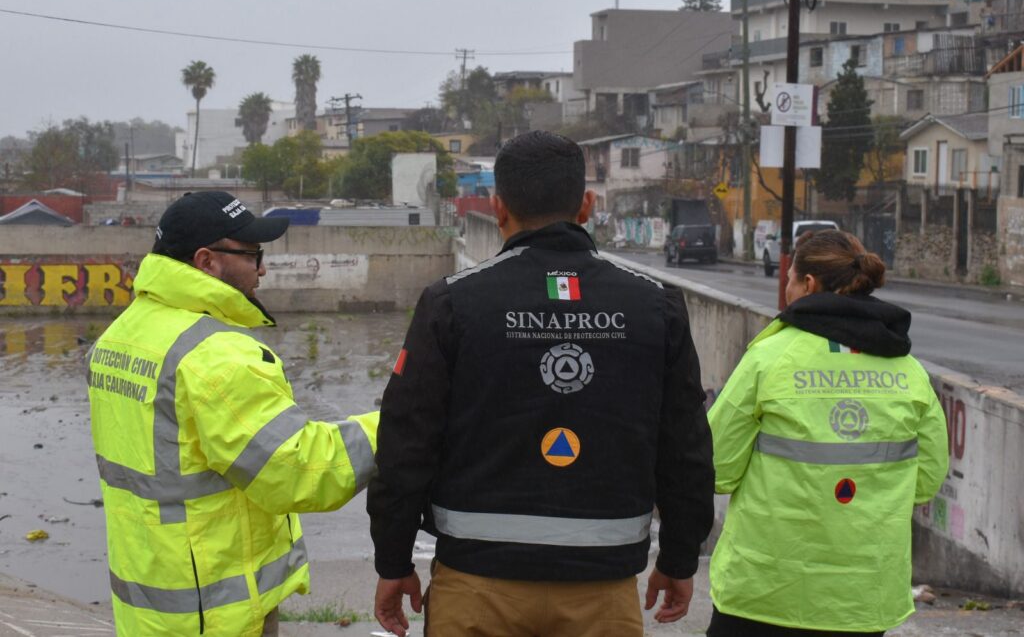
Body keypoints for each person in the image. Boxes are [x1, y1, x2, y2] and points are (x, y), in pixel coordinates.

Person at [367, 130, 715, 637]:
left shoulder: (451, 303)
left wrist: (393, 561)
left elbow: (406, 443)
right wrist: (680, 557)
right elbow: (685, 446)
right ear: (588, 206)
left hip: (476, 585)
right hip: (604, 586)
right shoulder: (654, 306)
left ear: (498, 206)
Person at [87, 191, 378, 637]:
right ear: (207, 261)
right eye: (253, 255)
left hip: (148, 606)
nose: (262, 268)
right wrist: (395, 425)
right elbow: (299, 470)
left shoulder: (120, 336)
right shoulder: (215, 356)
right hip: (216, 613)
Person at [706, 229, 949, 636]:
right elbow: (925, 481)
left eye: (789, 279)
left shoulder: (770, 358)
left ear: (809, 284)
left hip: (764, 592)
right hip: (861, 598)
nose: (785, 287)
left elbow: (716, 466)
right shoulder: (909, 371)